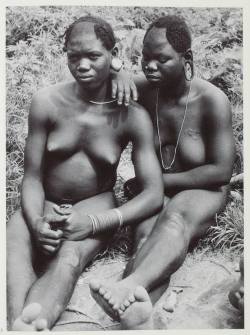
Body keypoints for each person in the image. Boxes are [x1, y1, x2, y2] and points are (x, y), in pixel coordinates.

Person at [7, 16, 164, 331]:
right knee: (14, 245)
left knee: (69, 260)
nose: (82, 65)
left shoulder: (132, 116)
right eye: (73, 57)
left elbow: (153, 194)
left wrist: (95, 222)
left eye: (93, 56)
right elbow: (33, 176)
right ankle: (17, 324)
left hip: (94, 203)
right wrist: (36, 219)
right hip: (43, 199)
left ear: (112, 53)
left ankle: (37, 321)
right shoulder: (47, 102)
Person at [89, 15, 236, 328]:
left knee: (174, 219)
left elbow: (222, 170)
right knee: (142, 237)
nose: (150, 66)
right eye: (145, 58)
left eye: (161, 59)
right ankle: (138, 311)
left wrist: (158, 181)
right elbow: (97, 79)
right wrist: (122, 72)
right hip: (158, 188)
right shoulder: (143, 89)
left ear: (187, 59)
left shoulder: (212, 101)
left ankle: (127, 287)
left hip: (204, 188)